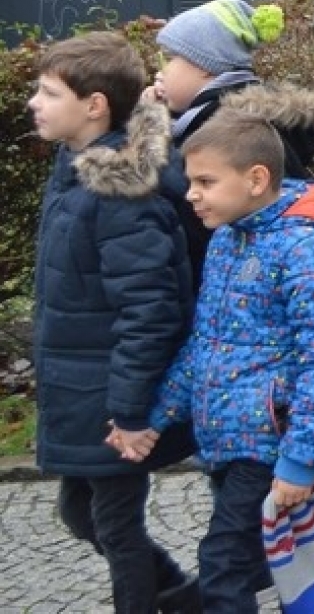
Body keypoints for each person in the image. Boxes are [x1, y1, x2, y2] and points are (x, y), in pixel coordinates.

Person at [124, 111, 314, 614]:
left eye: (206, 182)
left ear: (256, 180)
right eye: (191, 180)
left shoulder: (308, 249)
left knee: (223, 563)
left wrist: (300, 457)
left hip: (269, 441)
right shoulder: (228, 240)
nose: (191, 194)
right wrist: (159, 415)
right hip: (227, 437)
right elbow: (207, 343)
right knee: (280, 554)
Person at [29, 33, 199, 614]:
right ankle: (178, 595)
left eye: (49, 93)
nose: (35, 103)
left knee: (116, 524)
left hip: (111, 398)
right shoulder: (75, 169)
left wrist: (129, 410)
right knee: (80, 511)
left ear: (95, 105)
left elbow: (149, 309)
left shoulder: (119, 192)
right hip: (83, 388)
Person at [149, 0, 314, 280]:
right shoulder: (193, 119)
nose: (159, 70)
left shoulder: (231, 130)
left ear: (204, 64)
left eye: (171, 58)